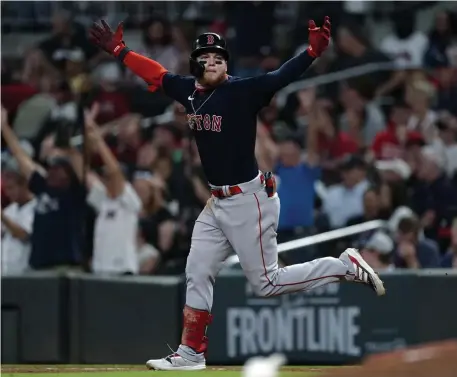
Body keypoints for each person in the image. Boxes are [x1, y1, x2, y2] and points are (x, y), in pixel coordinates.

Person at [88, 17, 385, 371]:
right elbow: (154, 72)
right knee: (197, 270)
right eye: (206, 57)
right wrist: (120, 51)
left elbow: (280, 77)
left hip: (250, 200)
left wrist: (311, 52)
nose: (212, 62)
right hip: (217, 202)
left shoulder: (243, 90)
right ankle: (191, 353)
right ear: (195, 64)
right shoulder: (187, 90)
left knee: (267, 284)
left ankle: (343, 266)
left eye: (218, 57)